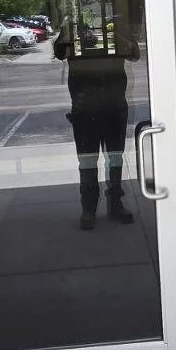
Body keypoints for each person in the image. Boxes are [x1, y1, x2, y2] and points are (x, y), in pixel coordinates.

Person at [53, 12, 141, 230]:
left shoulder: (116, 23)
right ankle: (88, 207)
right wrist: (70, 30)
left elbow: (134, 54)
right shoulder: (73, 25)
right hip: (85, 107)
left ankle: (115, 203)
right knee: (87, 160)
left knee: (115, 158)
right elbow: (59, 53)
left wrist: (115, 31)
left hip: (114, 104)